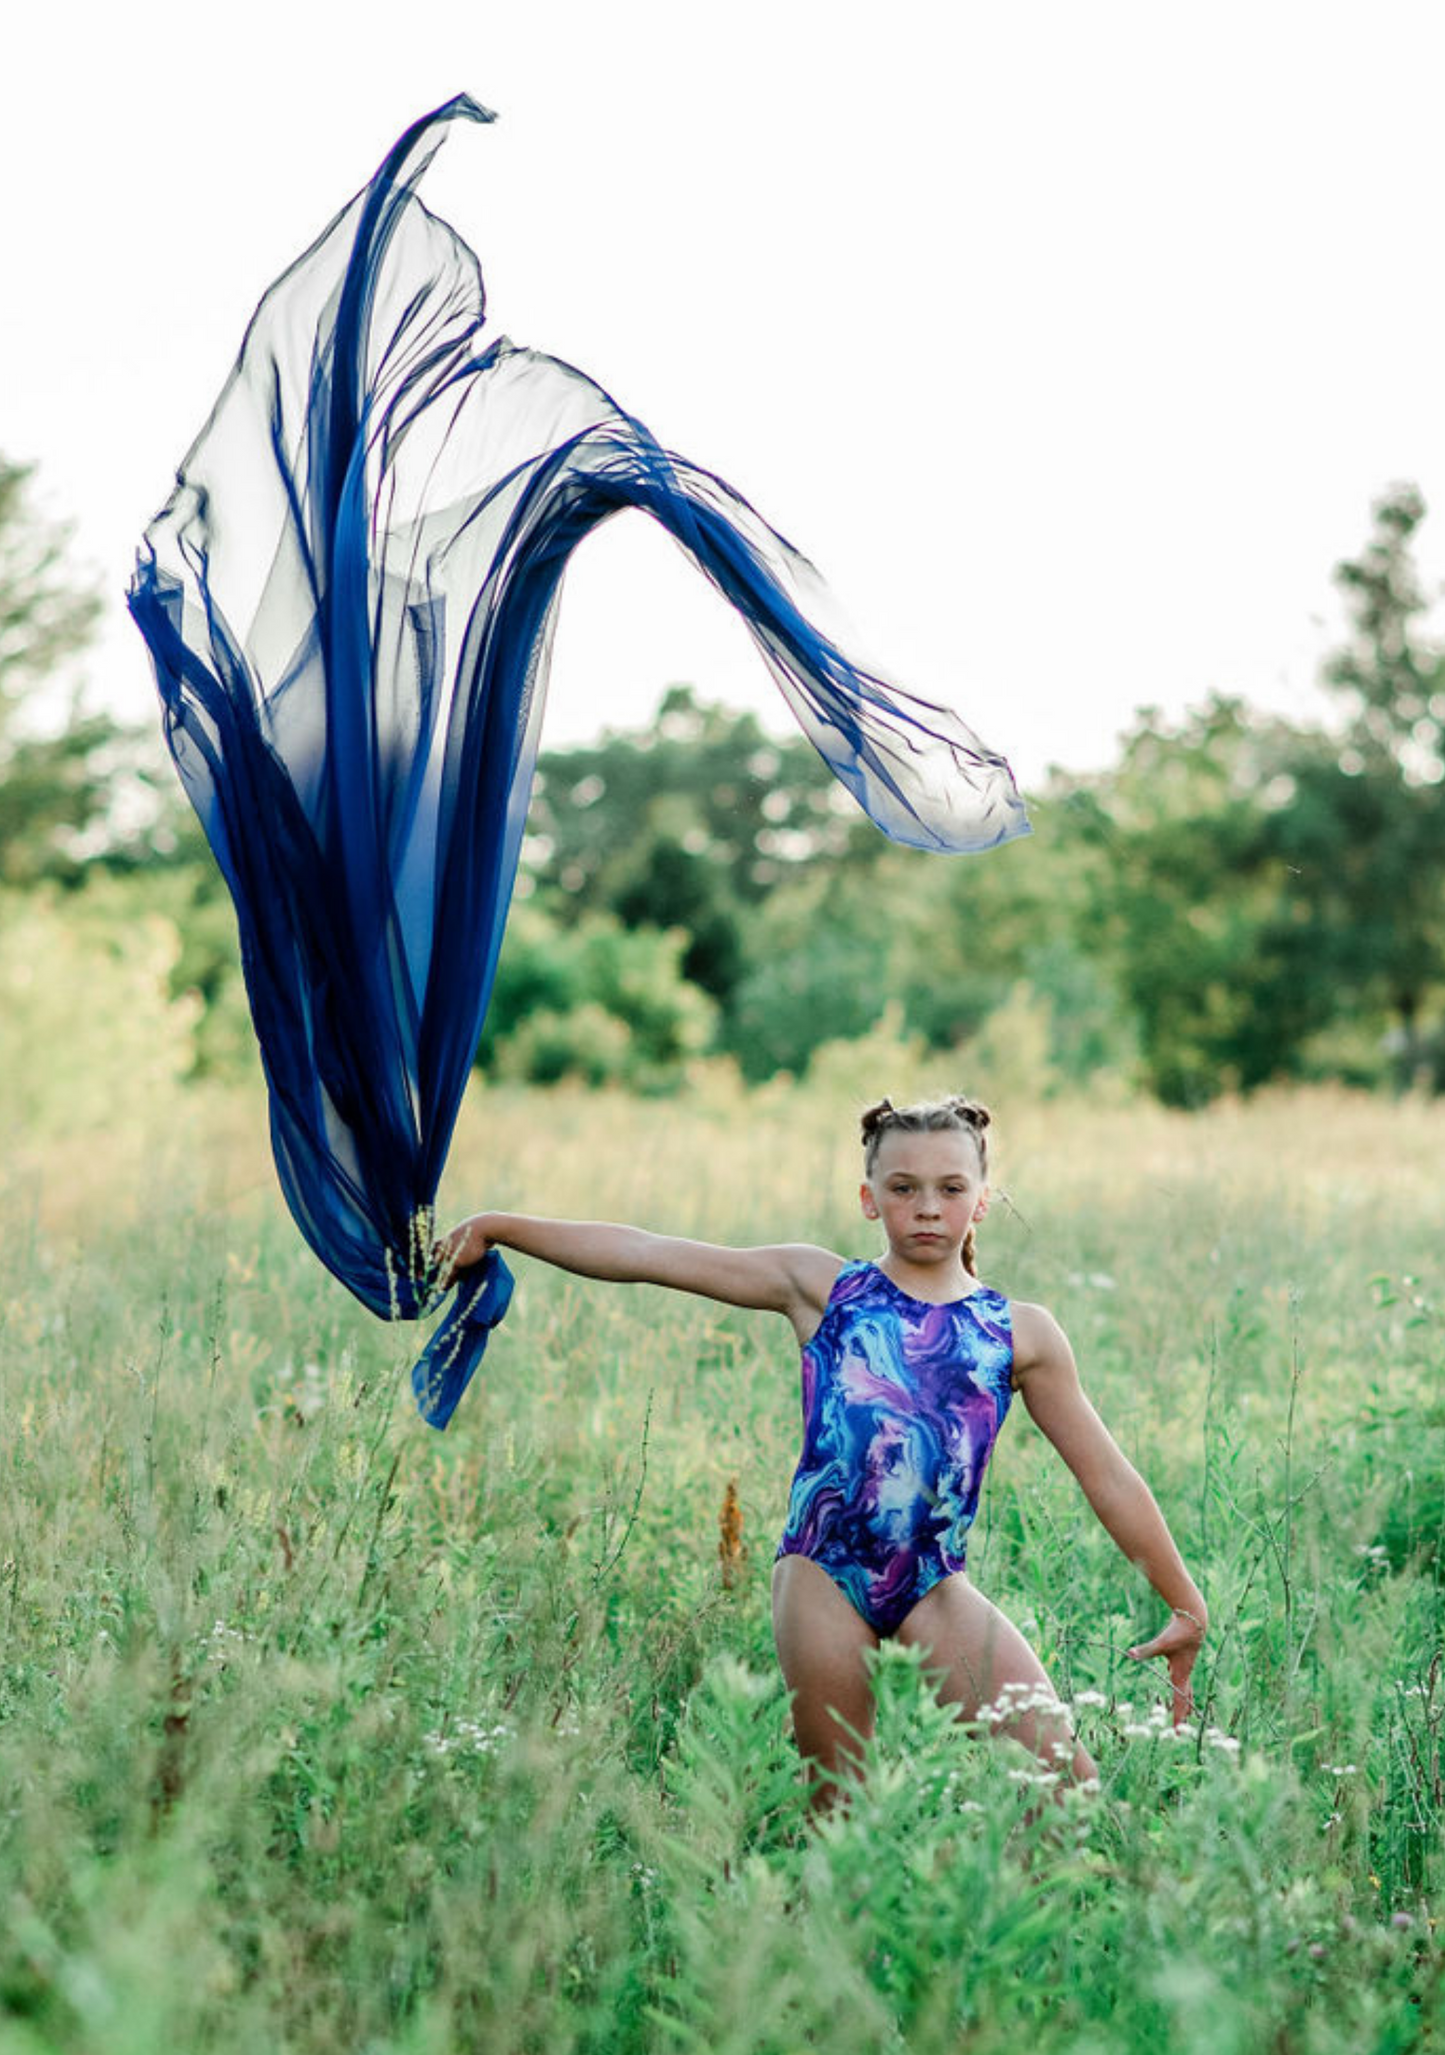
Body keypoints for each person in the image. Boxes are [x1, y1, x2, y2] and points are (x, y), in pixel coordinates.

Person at [442, 1093, 1207, 1804]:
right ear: (868, 1197)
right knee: (838, 1806)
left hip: (933, 1583)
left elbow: (1105, 1474)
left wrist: (1184, 1599)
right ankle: (818, 1936)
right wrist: (504, 1225)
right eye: (902, 1188)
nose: (926, 1207)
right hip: (822, 1572)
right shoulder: (822, 1287)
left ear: (982, 1196)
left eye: (949, 1187)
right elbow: (649, 1251)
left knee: (1066, 1786)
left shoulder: (1021, 1332)